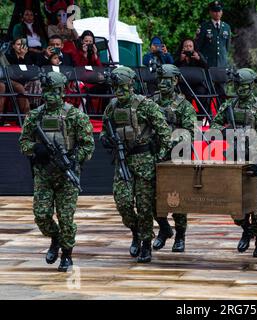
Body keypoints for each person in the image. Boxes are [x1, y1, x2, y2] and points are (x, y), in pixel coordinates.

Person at [18, 71, 94, 272]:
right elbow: (24, 142)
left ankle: (67, 254)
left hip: (66, 175)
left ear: (62, 92)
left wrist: (73, 159)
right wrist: (36, 149)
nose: (50, 95)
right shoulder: (35, 116)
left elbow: (88, 145)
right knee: (41, 215)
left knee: (66, 217)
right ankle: (55, 237)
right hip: (44, 173)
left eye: (54, 91)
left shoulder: (75, 115)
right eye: (47, 91)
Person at [100, 66, 171, 263]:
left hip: (145, 163)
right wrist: (106, 140)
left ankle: (146, 244)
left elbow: (164, 133)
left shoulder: (145, 105)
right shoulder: (112, 107)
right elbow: (104, 131)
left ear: (131, 86)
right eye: (116, 88)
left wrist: (161, 158)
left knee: (144, 206)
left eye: (122, 88)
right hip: (123, 161)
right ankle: (136, 231)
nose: (119, 92)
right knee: (122, 202)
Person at [211, 68, 257, 257]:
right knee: (234, 204)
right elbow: (214, 125)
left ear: (252, 85)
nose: (241, 89)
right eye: (238, 86)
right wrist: (226, 130)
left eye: (244, 85)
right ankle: (246, 229)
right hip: (233, 160)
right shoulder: (229, 105)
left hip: (254, 160)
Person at [151, 64, 198, 253]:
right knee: (150, 197)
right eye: (161, 80)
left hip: (175, 157)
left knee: (177, 199)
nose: (163, 84)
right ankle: (163, 228)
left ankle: (180, 235)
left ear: (175, 81)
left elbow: (191, 132)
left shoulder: (184, 106)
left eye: (167, 80)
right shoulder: (151, 102)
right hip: (153, 156)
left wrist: (171, 142)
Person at [195, 1, 231, 68]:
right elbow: (198, 46)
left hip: (222, 63)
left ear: (222, 12)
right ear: (210, 12)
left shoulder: (226, 27)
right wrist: (202, 60)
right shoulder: (204, 26)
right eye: (214, 11)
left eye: (219, 11)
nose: (217, 13)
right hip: (208, 63)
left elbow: (227, 46)